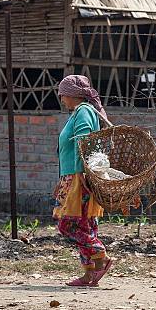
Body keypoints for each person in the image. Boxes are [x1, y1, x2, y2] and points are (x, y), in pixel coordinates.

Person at [52, 75, 113, 286]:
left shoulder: (84, 111)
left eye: (63, 94)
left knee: (67, 224)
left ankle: (101, 256)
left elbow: (84, 143)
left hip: (78, 177)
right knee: (85, 225)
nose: (61, 99)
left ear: (72, 94)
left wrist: (83, 176)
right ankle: (90, 274)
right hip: (74, 176)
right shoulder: (79, 112)